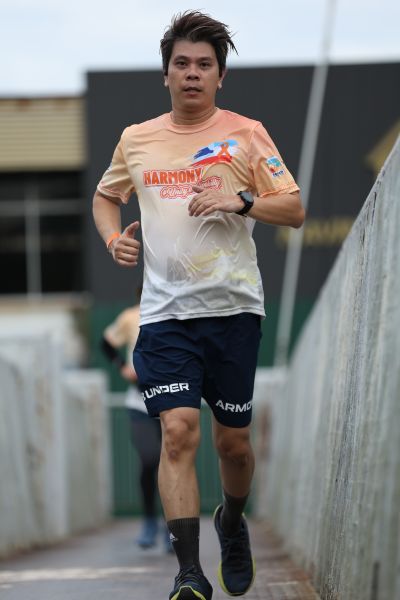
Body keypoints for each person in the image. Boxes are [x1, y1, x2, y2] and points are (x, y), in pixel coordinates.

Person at [93, 10, 305, 600]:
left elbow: (293, 209)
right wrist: (113, 239)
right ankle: (189, 573)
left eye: (204, 65)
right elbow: (105, 197)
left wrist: (242, 201)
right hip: (165, 316)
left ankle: (231, 522)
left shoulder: (247, 134)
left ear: (220, 76)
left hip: (234, 310)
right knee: (178, 433)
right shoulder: (136, 139)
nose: (192, 73)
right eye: (181, 64)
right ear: (165, 74)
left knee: (232, 443)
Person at [101, 298, 172, 553]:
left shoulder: (178, 310)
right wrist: (122, 367)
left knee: (173, 461)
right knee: (150, 458)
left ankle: (173, 528)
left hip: (172, 401)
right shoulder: (131, 316)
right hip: (139, 401)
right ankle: (150, 520)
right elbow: (106, 343)